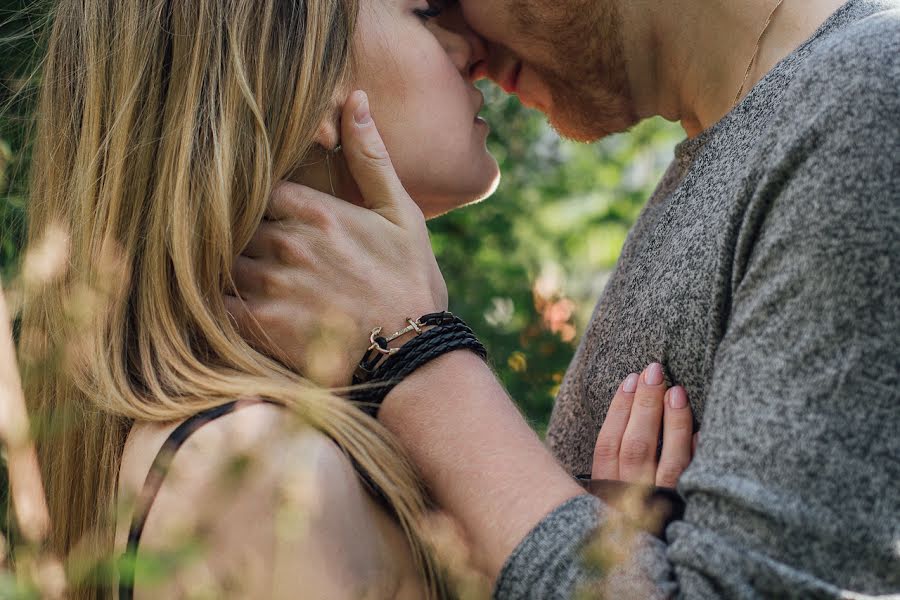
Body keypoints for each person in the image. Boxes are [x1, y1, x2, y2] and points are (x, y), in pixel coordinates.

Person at [17, 0, 694, 598]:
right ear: (307, 81)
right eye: (427, 13)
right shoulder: (257, 470)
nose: (476, 49)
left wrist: (591, 551)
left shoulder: (300, 442)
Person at [228, 0, 900, 597]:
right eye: (428, 10)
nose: (468, 47)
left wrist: (414, 350)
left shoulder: (865, 97)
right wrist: (608, 535)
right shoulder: (754, 138)